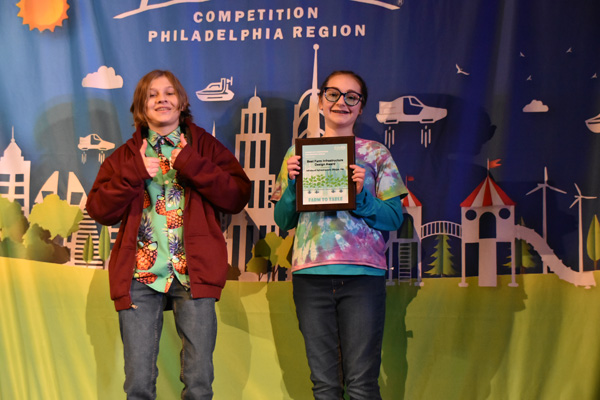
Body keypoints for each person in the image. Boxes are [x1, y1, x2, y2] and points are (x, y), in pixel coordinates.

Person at [86, 70, 251, 400]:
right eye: (152, 94)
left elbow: (236, 196)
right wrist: (134, 173)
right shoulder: (127, 156)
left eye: (169, 93)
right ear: (141, 106)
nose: (162, 99)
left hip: (194, 273)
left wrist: (191, 163)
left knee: (199, 383)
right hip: (140, 275)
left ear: (182, 102)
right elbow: (99, 210)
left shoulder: (204, 146)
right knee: (138, 384)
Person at [271, 71, 408, 399]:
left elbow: (393, 218)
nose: (341, 102)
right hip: (310, 277)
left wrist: (361, 196)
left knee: (361, 385)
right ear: (320, 101)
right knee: (325, 385)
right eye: (333, 94)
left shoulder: (376, 154)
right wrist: (292, 186)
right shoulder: (296, 154)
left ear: (360, 107)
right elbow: (283, 219)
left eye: (351, 97)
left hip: (362, 277)